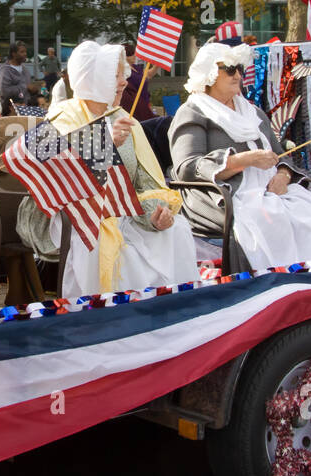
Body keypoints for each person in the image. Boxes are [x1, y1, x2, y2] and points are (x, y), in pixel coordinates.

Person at [17, 40, 199, 297]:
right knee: (109, 244)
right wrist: (104, 146)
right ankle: (112, 324)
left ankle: (169, 319)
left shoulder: (127, 120)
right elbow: (54, 183)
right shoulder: (59, 118)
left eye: (122, 75)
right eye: (114, 76)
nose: (124, 81)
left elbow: (146, 183)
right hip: (79, 217)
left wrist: (156, 215)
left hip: (126, 214)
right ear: (91, 78)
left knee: (177, 230)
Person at [169, 43, 311, 271]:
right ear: (209, 74)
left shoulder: (253, 112)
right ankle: (275, 284)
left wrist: (282, 175)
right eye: (230, 69)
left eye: (240, 68)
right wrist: (244, 160)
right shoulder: (192, 112)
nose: (238, 75)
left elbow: (281, 155)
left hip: (271, 191)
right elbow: (187, 167)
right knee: (271, 220)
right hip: (225, 196)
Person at [119, 43, 157, 122]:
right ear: (125, 56)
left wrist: (157, 64)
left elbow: (148, 75)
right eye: (132, 54)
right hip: (134, 105)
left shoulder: (136, 68)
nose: (135, 56)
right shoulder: (122, 71)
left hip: (145, 101)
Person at [0, 41, 32, 109]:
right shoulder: (4, 71)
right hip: (9, 112)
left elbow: (26, 92)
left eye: (25, 52)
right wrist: (25, 87)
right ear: (13, 54)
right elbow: (3, 92)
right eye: (22, 52)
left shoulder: (25, 70)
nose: (25, 54)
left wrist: (33, 90)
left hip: (25, 110)